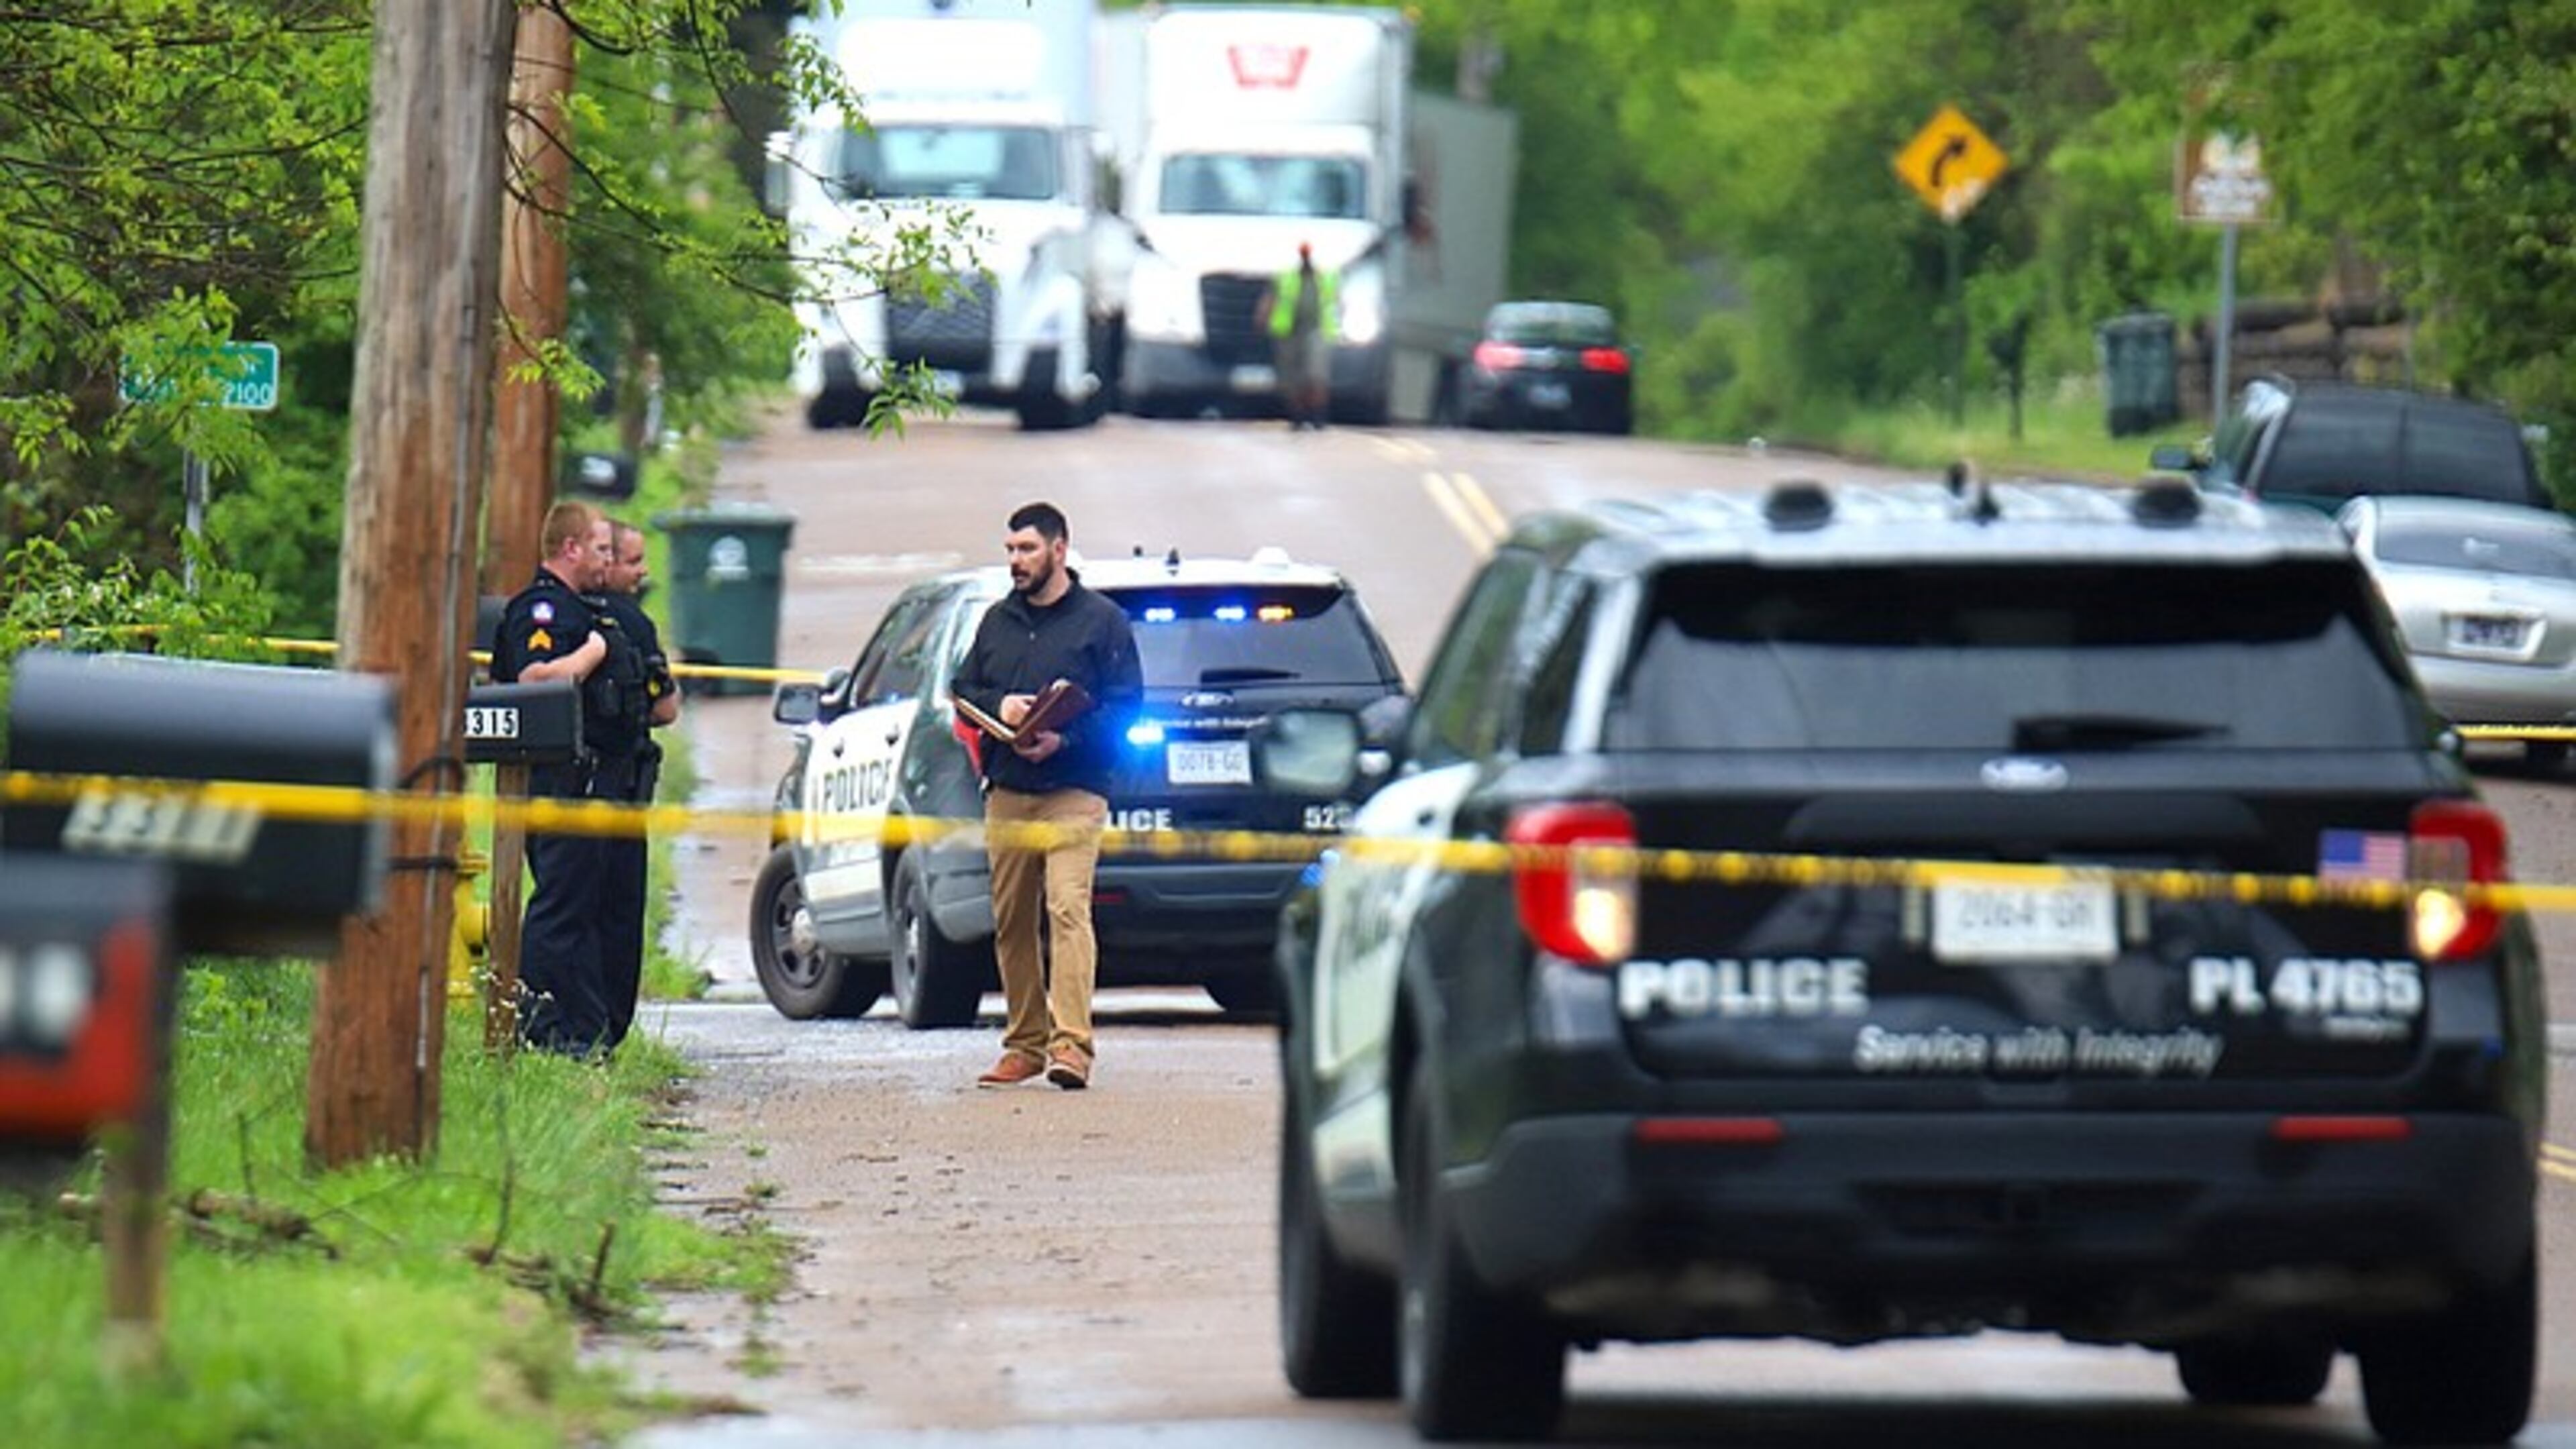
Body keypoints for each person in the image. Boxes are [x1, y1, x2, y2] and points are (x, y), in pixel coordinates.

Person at [952, 502, 1142, 1091]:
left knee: (1067, 908)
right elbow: (963, 689)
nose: (1017, 561)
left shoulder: (1101, 622)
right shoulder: (996, 623)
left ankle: (1072, 1046)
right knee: (1011, 920)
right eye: (1010, 550)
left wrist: (1065, 736)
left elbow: (1126, 706)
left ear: (1059, 550)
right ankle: (1025, 1043)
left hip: (1074, 789)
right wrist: (999, 708)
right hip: (1009, 788)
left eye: (1027, 550)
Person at [488, 499, 649, 1056]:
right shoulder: (543, 611)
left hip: (606, 786)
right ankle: (545, 1030)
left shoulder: (590, 611)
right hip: (564, 783)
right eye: (602, 549)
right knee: (562, 910)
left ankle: (592, 1032)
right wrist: (592, 653)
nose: (609, 560)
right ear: (571, 548)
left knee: (607, 913)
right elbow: (537, 678)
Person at [594, 520, 682, 1049]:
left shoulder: (560, 614)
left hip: (565, 793)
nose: (643, 570)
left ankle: (574, 1027)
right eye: (632, 561)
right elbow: (665, 707)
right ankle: (606, 1028)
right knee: (619, 914)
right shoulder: (633, 624)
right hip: (620, 788)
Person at [1264, 240, 1338, 430]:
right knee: (1292, 378)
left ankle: (1318, 416)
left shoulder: (1325, 277)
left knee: (1316, 375)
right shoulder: (1287, 277)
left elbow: (1336, 301)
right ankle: (1297, 416)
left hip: (1317, 330)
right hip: (1290, 332)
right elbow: (1271, 299)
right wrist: (1264, 317)